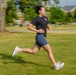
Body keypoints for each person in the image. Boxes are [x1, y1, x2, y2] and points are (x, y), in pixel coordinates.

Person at [12, 6, 64, 70]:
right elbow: (29, 27)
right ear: (39, 11)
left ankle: (18, 49)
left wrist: (49, 26)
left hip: (41, 37)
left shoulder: (45, 18)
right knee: (49, 51)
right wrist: (37, 31)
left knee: (33, 51)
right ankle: (56, 65)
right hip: (40, 37)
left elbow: (46, 25)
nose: (44, 11)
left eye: (45, 10)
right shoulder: (36, 19)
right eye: (43, 10)